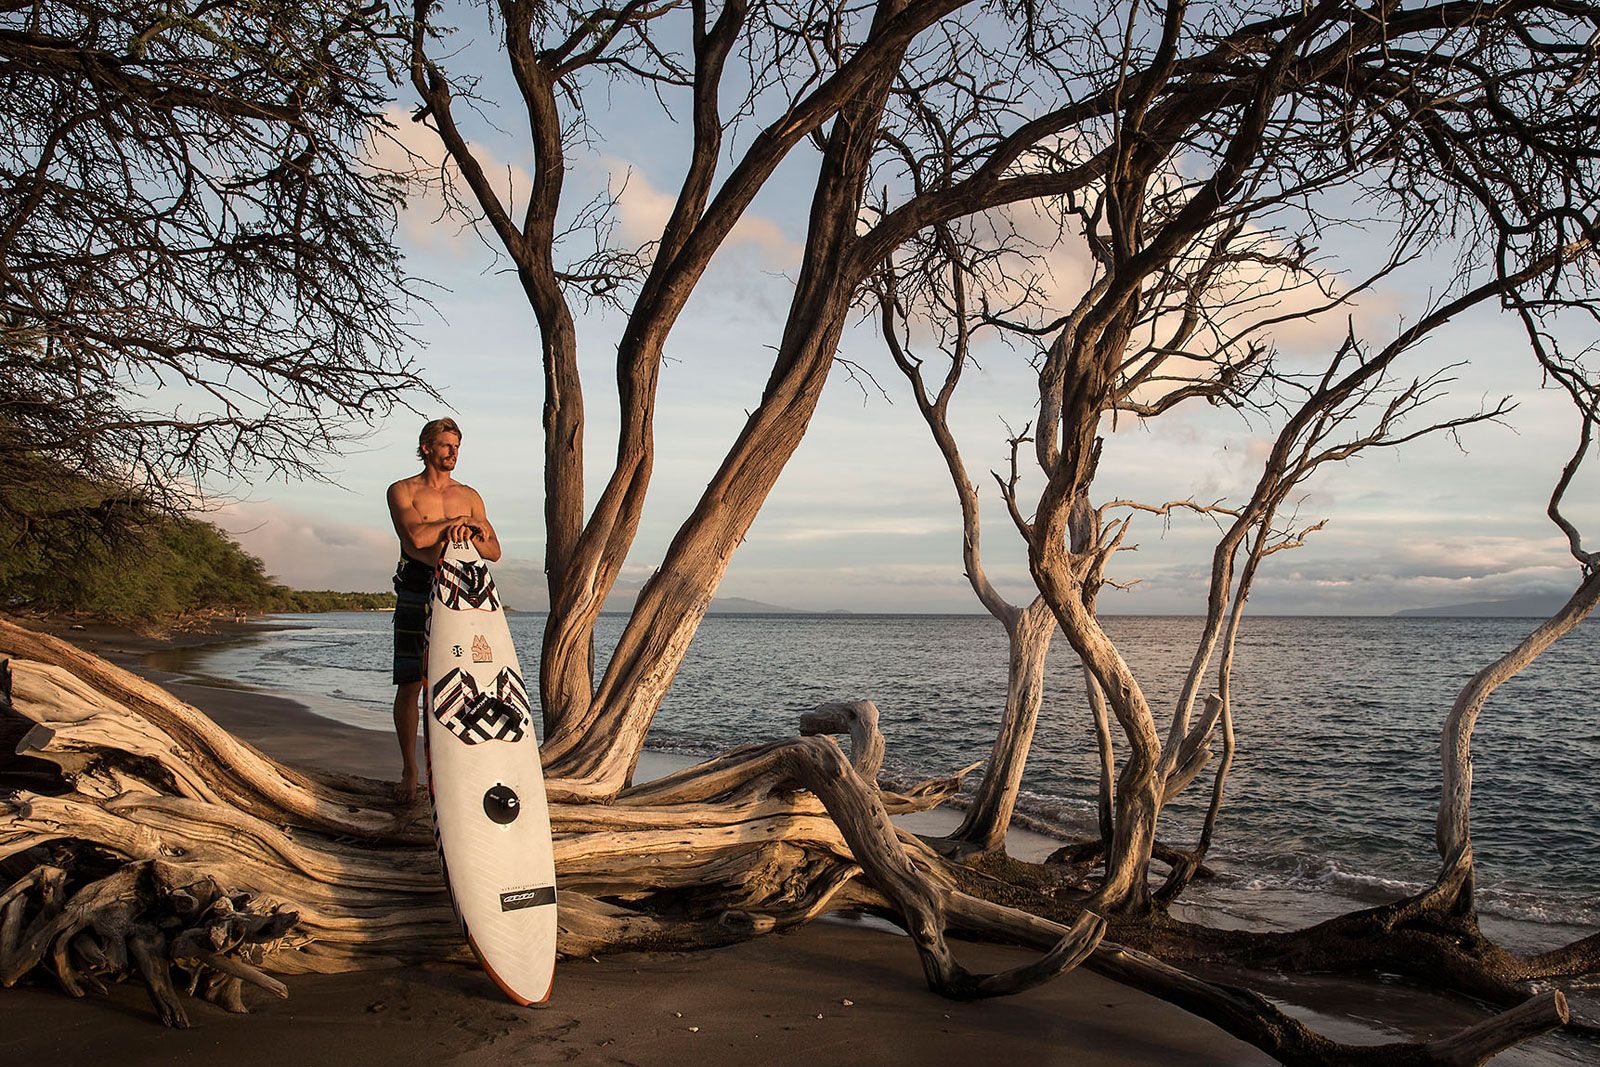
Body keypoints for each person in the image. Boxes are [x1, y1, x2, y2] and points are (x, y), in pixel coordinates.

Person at [386, 417, 501, 803]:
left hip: (462, 589)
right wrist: (455, 524)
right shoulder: (402, 490)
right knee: (411, 682)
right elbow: (415, 537)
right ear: (426, 448)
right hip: (418, 587)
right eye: (446, 446)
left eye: (457, 447)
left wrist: (464, 530)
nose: (453, 453)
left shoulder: (469, 495)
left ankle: (457, 768)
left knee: (462, 679)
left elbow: (493, 551)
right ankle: (409, 770)